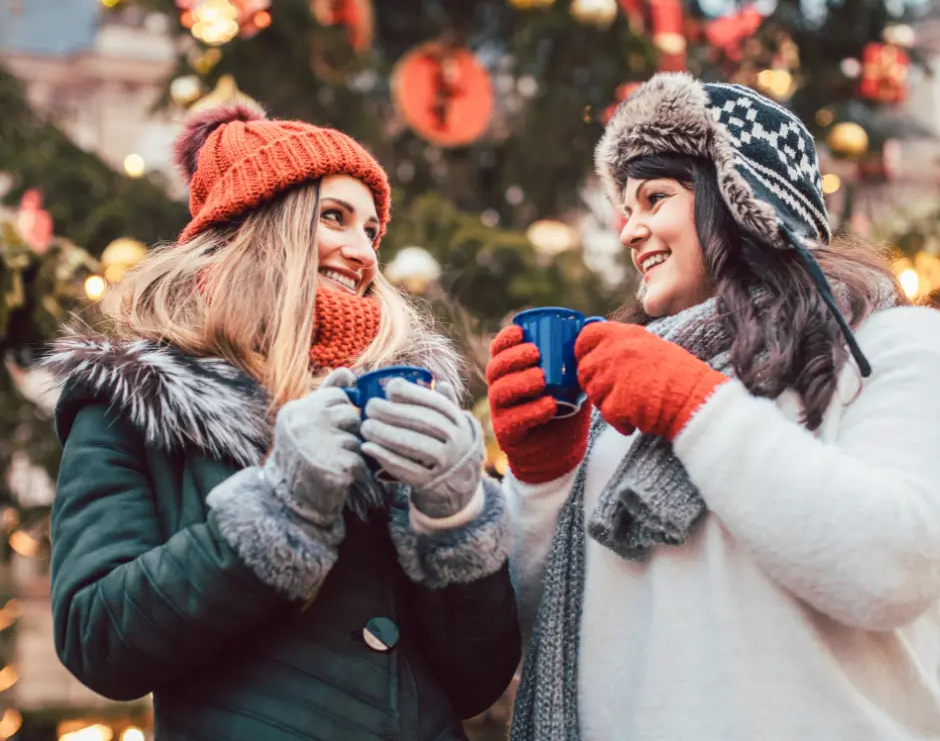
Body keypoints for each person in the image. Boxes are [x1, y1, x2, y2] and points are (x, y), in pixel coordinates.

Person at [45, 102, 520, 740]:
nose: (362, 252)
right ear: (259, 225)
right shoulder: (136, 400)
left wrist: (454, 516)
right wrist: (277, 510)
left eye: (370, 229)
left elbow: (474, 681)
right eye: (334, 217)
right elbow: (96, 638)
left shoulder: (408, 398)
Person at [487, 72, 940, 741]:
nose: (630, 230)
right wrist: (543, 480)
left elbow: (891, 565)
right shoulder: (623, 400)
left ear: (742, 200)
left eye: (655, 198)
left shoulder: (893, 345)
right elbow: (553, 630)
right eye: (626, 208)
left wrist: (696, 406)